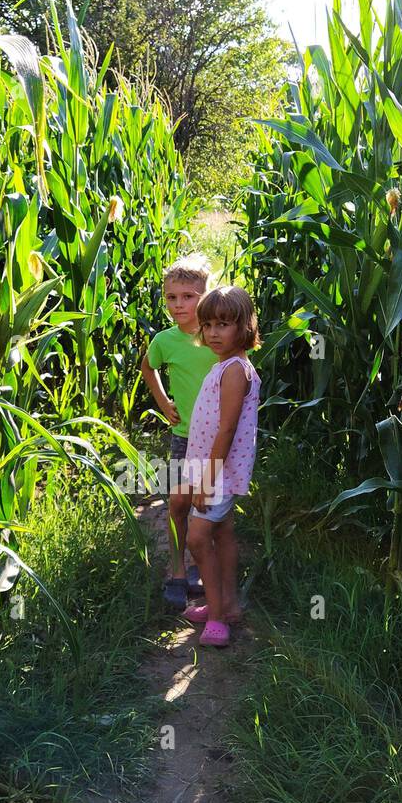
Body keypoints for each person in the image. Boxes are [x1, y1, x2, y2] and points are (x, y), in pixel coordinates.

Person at [183, 285, 261, 648]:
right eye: (208, 324)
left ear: (244, 327)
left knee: (197, 538)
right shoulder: (227, 366)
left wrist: (207, 479)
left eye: (224, 324)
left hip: (218, 474)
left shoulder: (234, 371)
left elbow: (227, 428)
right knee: (223, 532)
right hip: (216, 471)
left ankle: (216, 619)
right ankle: (226, 604)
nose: (213, 332)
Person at [141, 254, 217, 608]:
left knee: (209, 507)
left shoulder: (217, 338)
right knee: (177, 504)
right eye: (171, 297)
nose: (178, 304)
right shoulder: (164, 341)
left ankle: (203, 570)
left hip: (218, 440)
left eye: (188, 296)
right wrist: (163, 402)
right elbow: (148, 368)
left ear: (206, 295)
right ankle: (176, 571)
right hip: (184, 435)